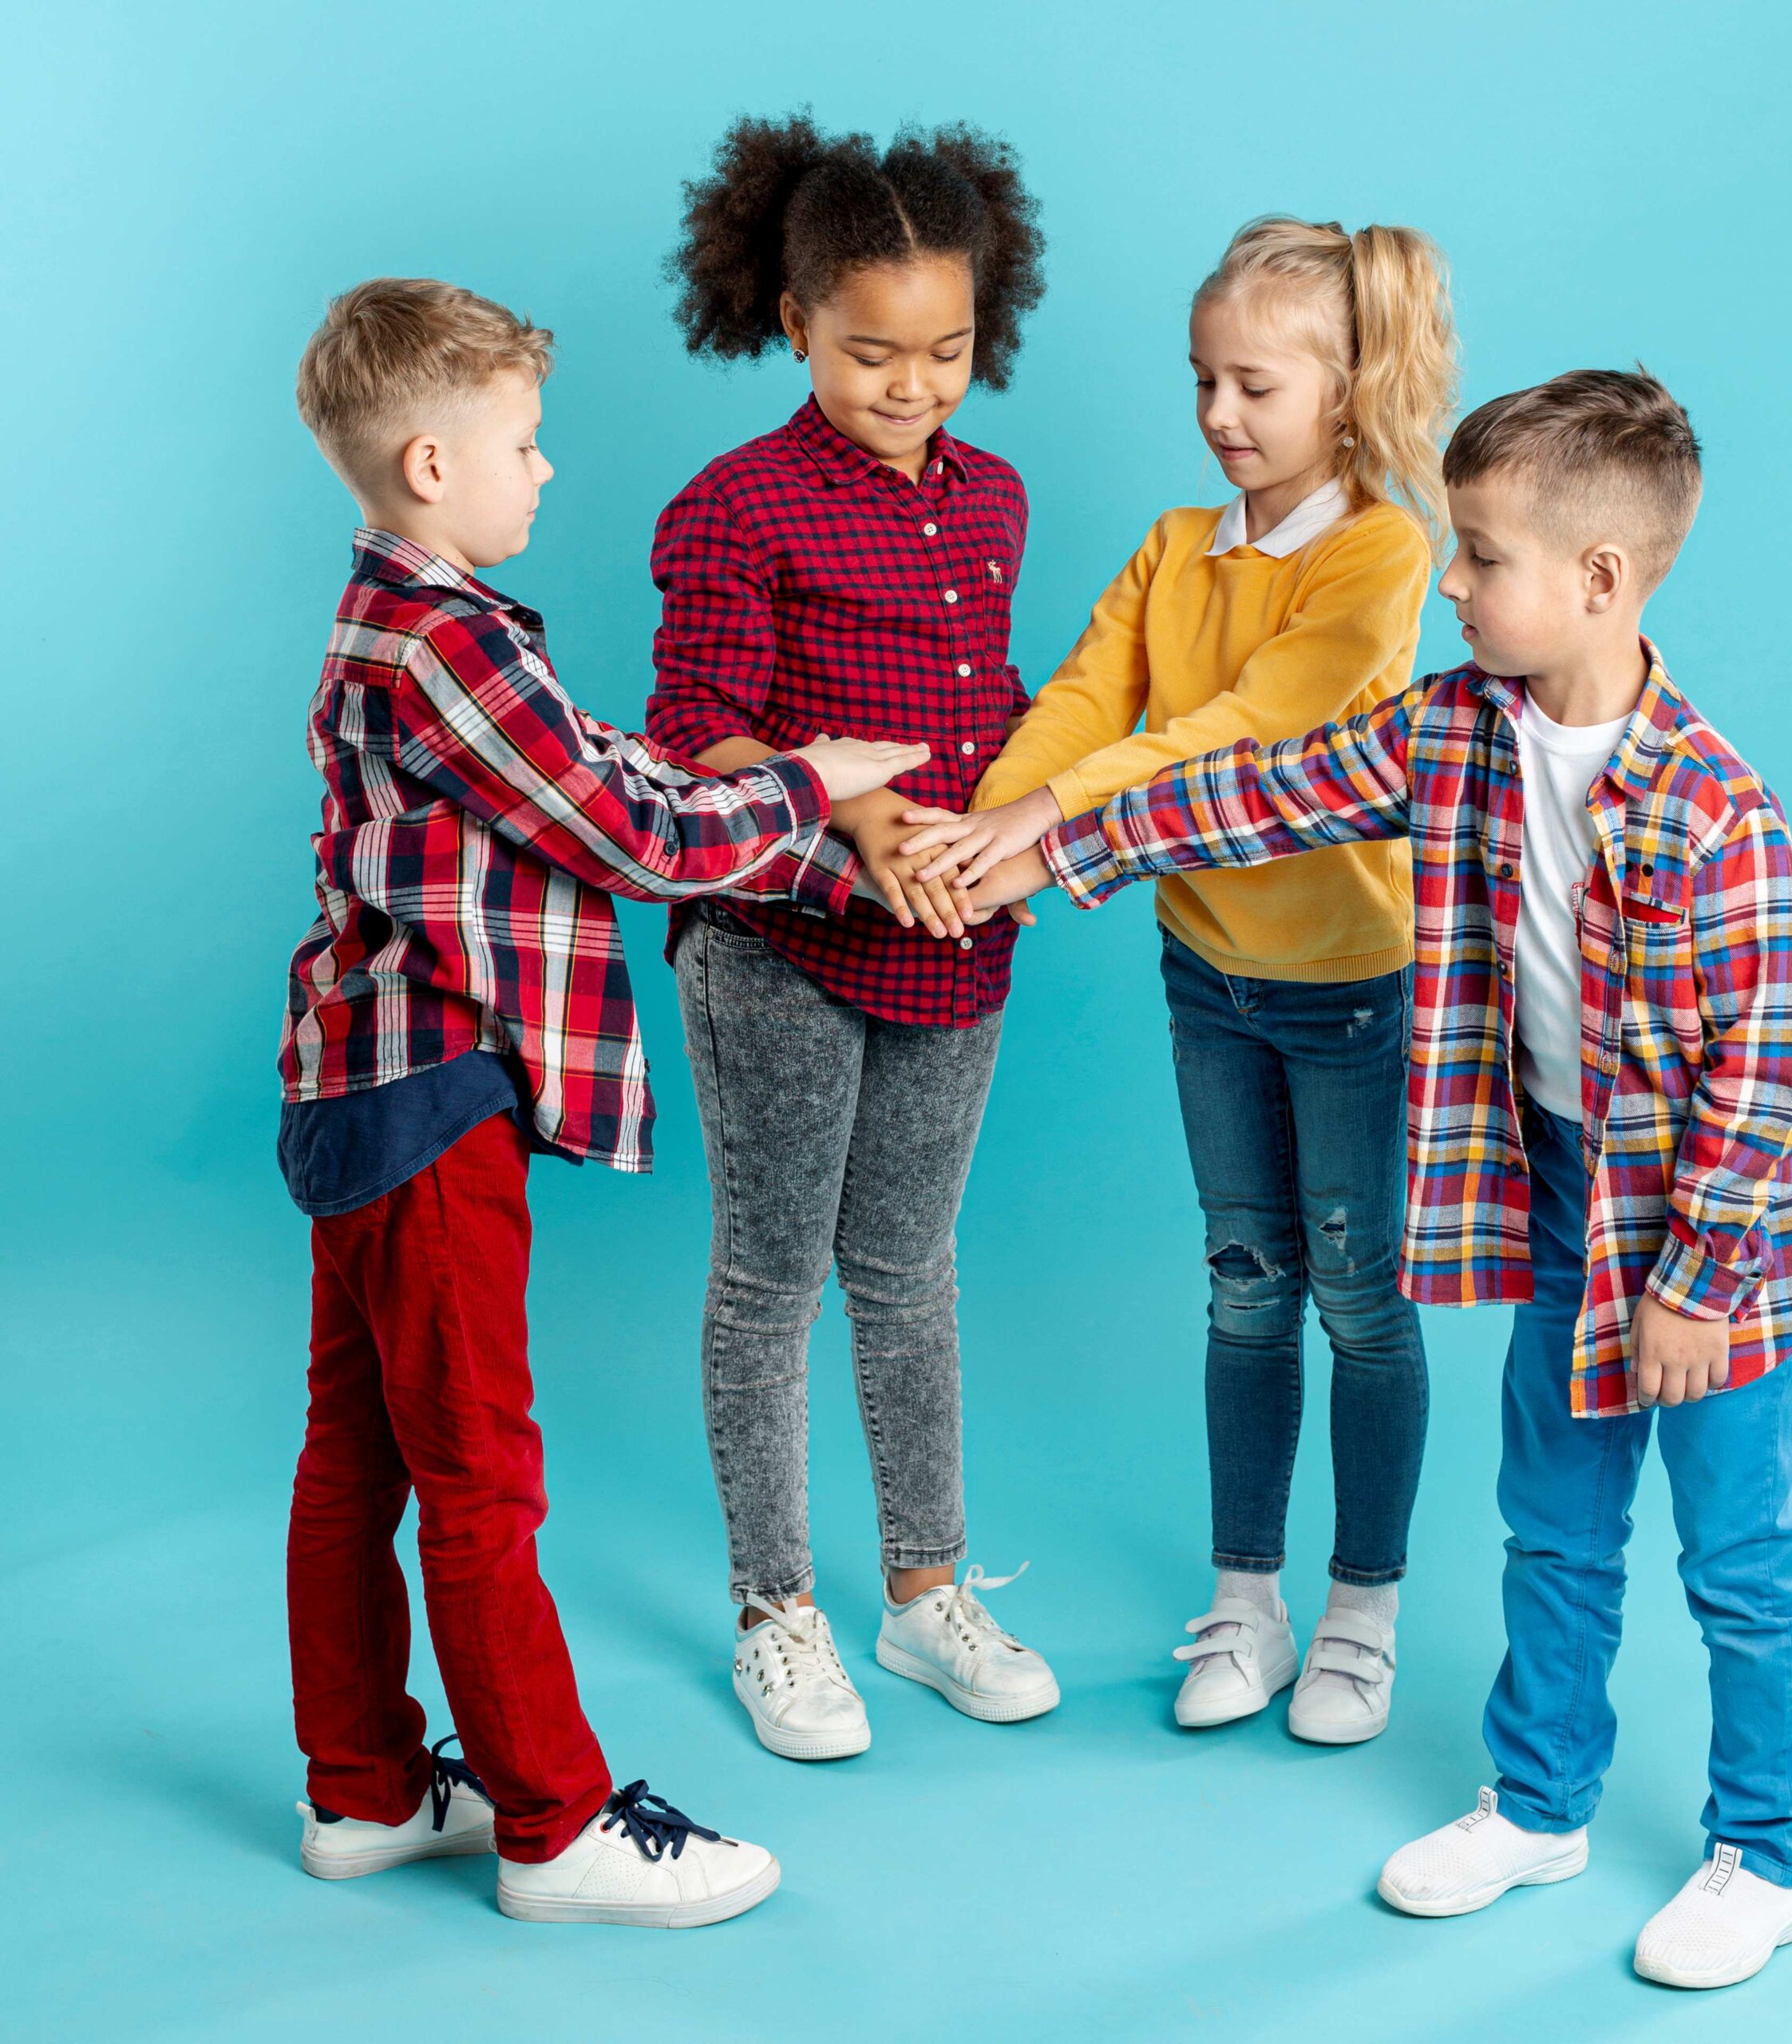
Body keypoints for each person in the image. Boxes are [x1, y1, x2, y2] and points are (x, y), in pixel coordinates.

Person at [968, 369, 1792, 1991]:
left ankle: (1764, 1855)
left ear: (1599, 577)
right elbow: (1260, 788)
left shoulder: (1716, 809)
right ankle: (1540, 1802)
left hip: (1724, 1246)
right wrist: (1055, 845)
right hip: (1568, 1196)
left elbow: (1771, 1069)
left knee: (1735, 1559)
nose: (1449, 583)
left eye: (1481, 556)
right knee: (1552, 1526)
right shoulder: (1453, 731)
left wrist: (1693, 1287)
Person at [279, 276, 924, 1925]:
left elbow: (601, 768)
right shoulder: (445, 640)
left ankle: (362, 1789)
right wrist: (810, 783)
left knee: (360, 1452)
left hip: (357, 1084)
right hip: (428, 1104)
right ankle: (553, 1825)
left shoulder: (406, 621)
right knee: (480, 1473)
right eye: (524, 442)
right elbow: (633, 835)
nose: (547, 467)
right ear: (433, 464)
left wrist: (791, 820)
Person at [914, 216, 1456, 1744]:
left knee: (1360, 1296)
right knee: (1244, 1286)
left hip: (1350, 986)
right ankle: (1248, 1605)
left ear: (1348, 391)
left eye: (1255, 387)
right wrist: (985, 829)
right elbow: (1088, 699)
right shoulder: (1173, 545)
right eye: (1202, 380)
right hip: (1208, 974)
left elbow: (1242, 733)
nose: (1220, 414)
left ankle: (1363, 1612)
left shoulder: (1380, 552)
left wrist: (1045, 827)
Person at [646, 113, 1058, 1763]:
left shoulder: (995, 498)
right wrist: (857, 817)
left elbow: (991, 703)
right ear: (792, 322)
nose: (912, 385)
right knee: (771, 1280)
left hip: (953, 946)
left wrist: (1022, 832)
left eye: (946, 351)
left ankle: (923, 1590)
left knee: (907, 1270)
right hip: (781, 947)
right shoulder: (733, 506)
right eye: (872, 352)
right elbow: (693, 733)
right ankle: (775, 1610)